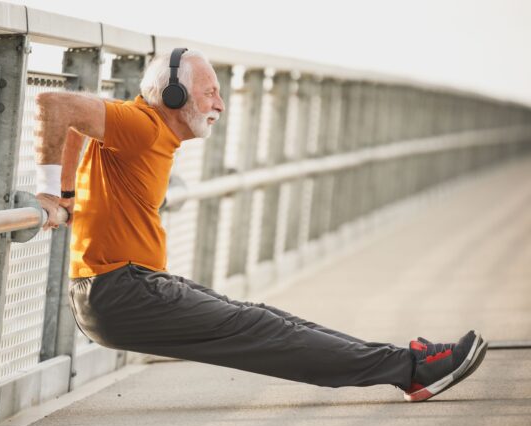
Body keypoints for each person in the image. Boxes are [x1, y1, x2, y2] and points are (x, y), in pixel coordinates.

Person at [34, 48, 488, 402]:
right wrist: (49, 191)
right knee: (269, 332)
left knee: (269, 320)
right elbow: (55, 106)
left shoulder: (139, 125)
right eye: (210, 91)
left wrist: (68, 194)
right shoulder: (143, 125)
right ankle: (412, 370)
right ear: (174, 94)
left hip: (125, 289)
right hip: (122, 292)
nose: (221, 104)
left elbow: (75, 125)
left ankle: (409, 364)